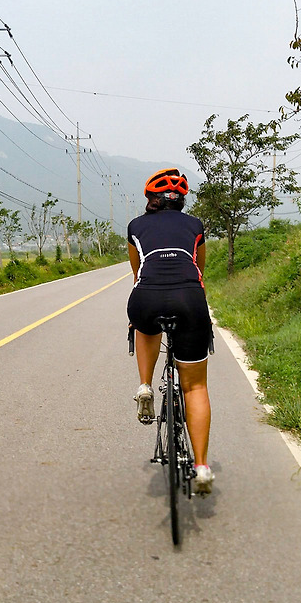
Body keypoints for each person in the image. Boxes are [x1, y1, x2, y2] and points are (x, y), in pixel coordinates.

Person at [126, 168, 214, 495]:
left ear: (151, 199)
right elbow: (199, 270)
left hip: (146, 298)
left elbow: (138, 273)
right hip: (190, 299)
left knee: (143, 324)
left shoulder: (135, 226)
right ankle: (201, 467)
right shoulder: (195, 225)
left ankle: (145, 386)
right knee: (195, 387)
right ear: (181, 201)